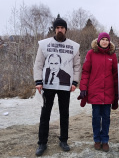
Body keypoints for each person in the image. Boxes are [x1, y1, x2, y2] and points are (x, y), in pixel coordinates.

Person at [33, 16, 81, 156]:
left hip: (65, 85)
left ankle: (64, 140)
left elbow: (77, 65)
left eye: (62, 28)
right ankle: (42, 143)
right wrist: (38, 81)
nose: (60, 30)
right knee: (45, 114)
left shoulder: (73, 46)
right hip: (47, 85)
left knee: (64, 113)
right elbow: (38, 64)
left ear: (65, 29)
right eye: (58, 28)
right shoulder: (45, 44)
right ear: (55, 30)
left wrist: (75, 82)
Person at [78, 32, 118, 152]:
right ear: (98, 41)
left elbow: (115, 75)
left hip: (108, 92)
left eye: (107, 39)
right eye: (103, 39)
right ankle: (97, 139)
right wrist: (83, 87)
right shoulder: (91, 53)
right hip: (95, 91)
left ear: (109, 42)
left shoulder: (113, 55)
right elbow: (85, 72)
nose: (105, 41)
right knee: (96, 117)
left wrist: (117, 91)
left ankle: (105, 140)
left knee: (106, 117)